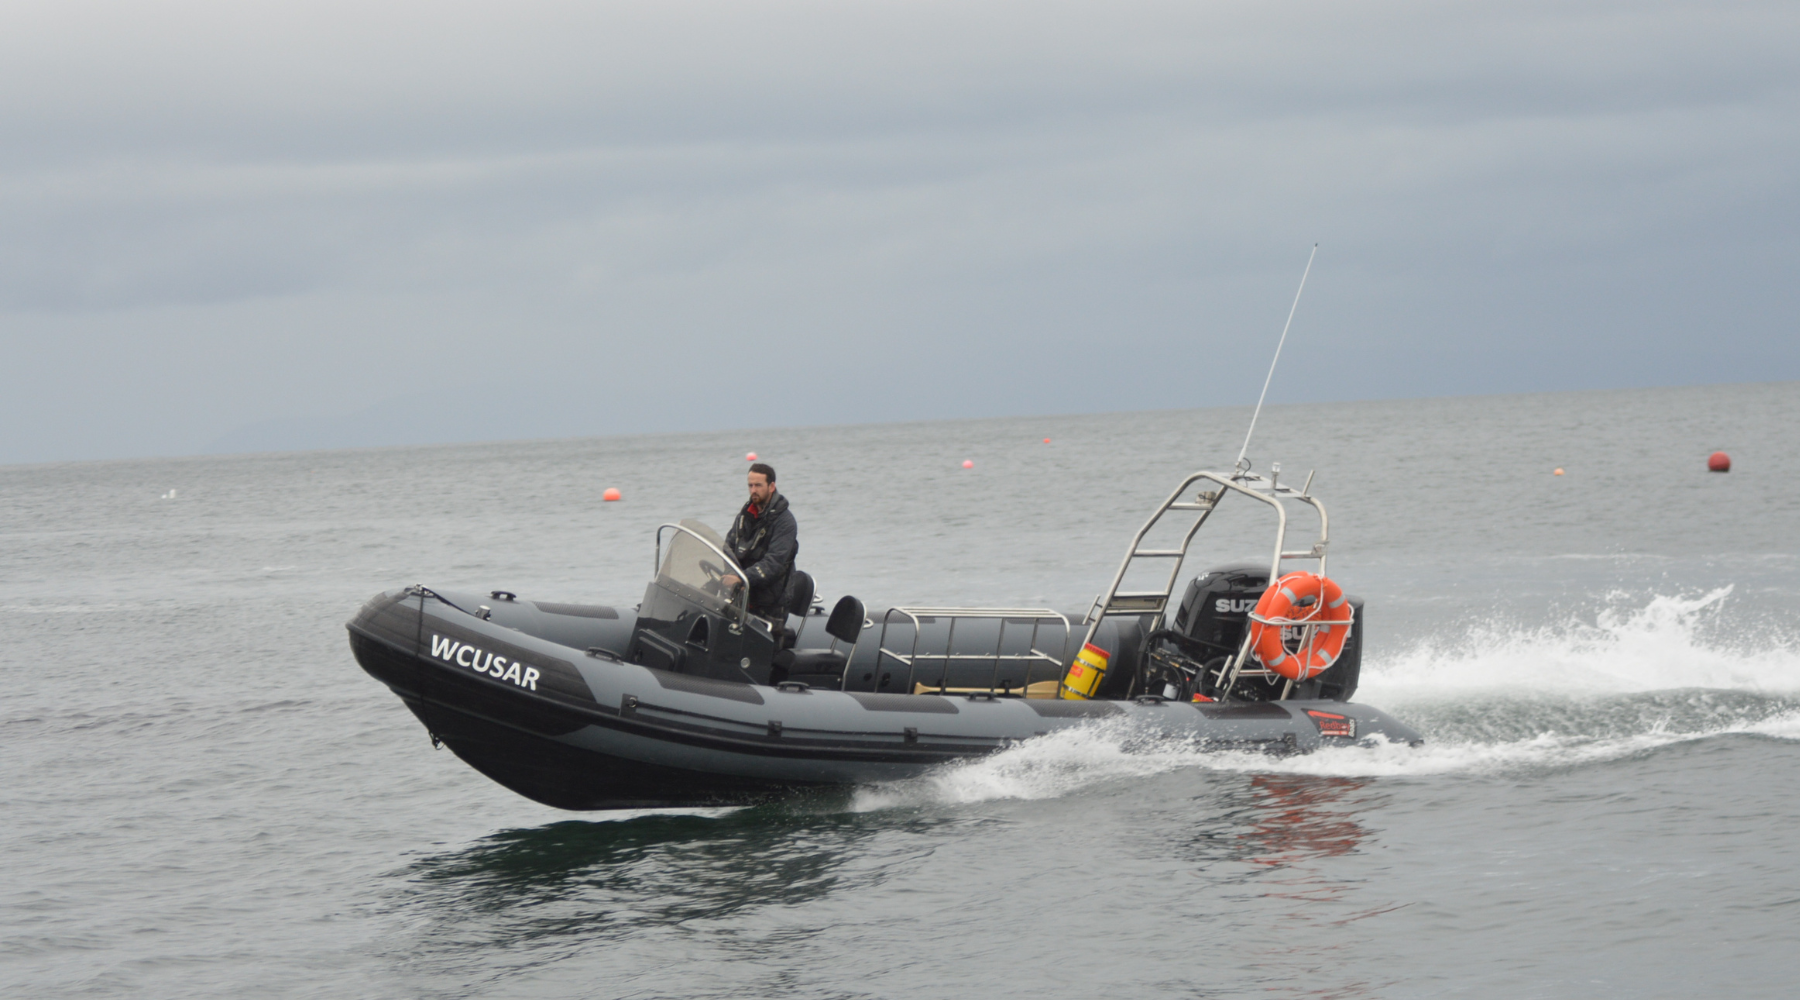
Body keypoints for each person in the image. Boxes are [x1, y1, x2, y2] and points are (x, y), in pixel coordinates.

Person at [721, 463, 797, 620]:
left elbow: (774, 562)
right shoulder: (744, 516)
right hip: (743, 596)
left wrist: (742, 578)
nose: (753, 490)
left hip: (771, 604)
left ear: (771, 486)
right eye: (750, 485)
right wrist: (730, 574)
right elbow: (728, 548)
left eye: (758, 485)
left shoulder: (785, 521)